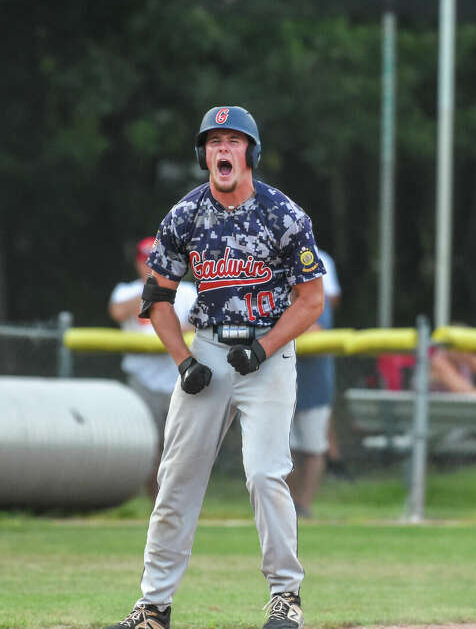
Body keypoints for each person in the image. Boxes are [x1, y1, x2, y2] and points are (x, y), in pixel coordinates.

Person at [109, 106, 325, 629]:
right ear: (203, 154)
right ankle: (153, 607)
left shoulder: (282, 214)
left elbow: (310, 299)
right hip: (206, 348)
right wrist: (183, 360)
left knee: (265, 475)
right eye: (213, 142)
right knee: (176, 479)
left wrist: (266, 346)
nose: (222, 150)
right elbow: (156, 297)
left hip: (266, 355)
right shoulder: (185, 214)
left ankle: (285, 598)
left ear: (250, 153)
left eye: (233, 140)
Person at [110, 236, 198, 501]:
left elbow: (201, 323)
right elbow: (117, 312)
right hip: (142, 378)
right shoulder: (126, 291)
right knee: (150, 446)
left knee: (181, 447)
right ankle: (157, 504)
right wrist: (153, 288)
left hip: (180, 377)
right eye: (146, 262)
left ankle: (180, 502)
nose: (151, 267)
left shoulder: (187, 292)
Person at [288, 247, 342, 518]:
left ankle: (303, 505)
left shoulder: (316, 297)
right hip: (280, 378)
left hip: (314, 379)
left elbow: (316, 327)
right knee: (285, 448)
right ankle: (286, 506)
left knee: (313, 445)